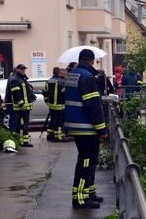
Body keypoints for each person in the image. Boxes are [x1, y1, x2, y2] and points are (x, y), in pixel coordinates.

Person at [64, 48, 108, 209]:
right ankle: (80, 198)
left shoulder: (72, 75)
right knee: (86, 163)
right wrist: (102, 129)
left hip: (75, 124)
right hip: (87, 127)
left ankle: (89, 193)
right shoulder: (88, 77)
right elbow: (93, 106)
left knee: (87, 161)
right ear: (91, 60)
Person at [7, 64, 36, 147]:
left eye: (24, 69)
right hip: (20, 107)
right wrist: (22, 104)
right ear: (17, 69)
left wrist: (31, 95)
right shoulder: (15, 79)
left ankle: (22, 141)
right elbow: (16, 93)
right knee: (21, 125)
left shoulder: (22, 79)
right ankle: (23, 141)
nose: (23, 71)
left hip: (25, 106)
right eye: (22, 69)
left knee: (24, 124)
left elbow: (25, 92)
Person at [44, 66, 67, 142]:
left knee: (52, 120)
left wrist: (47, 101)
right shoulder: (62, 82)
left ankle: (50, 135)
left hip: (51, 105)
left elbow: (44, 92)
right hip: (60, 105)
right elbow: (65, 93)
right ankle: (59, 136)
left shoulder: (49, 81)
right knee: (59, 121)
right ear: (59, 73)